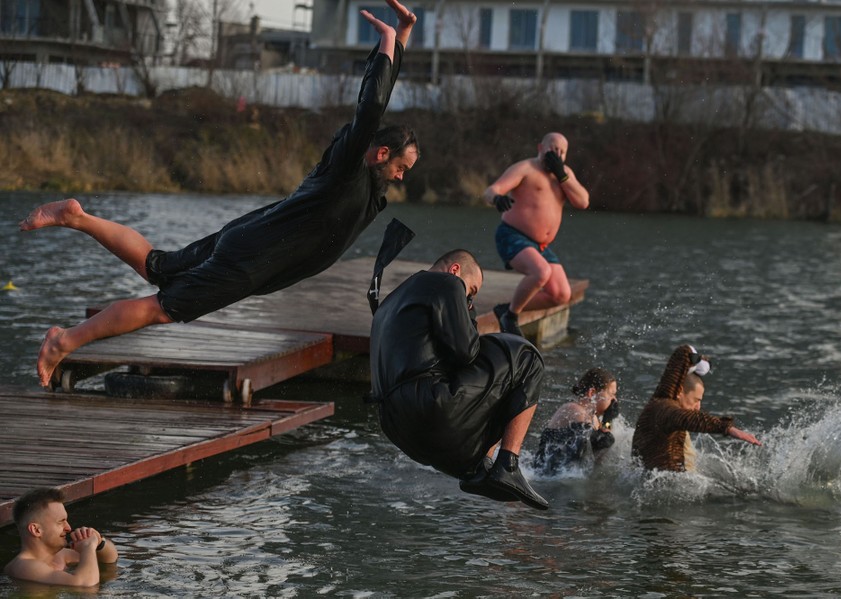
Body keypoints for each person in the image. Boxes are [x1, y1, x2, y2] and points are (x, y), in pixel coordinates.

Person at [19, 0, 418, 388]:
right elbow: (370, 107)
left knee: (156, 266)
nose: (400, 177)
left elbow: (378, 104)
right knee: (161, 309)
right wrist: (387, 44)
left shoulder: (366, 186)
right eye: (401, 167)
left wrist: (400, 35)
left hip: (248, 240)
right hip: (250, 260)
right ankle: (63, 341)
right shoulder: (348, 169)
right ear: (382, 154)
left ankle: (77, 217)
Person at [369, 249, 549, 510]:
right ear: (455, 270)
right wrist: (469, 313)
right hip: (429, 405)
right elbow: (466, 352)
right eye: (471, 291)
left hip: (395, 425)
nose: (468, 298)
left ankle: (481, 467)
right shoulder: (447, 282)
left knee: (499, 383)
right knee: (526, 357)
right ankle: (508, 464)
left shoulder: (390, 301)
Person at [483, 132, 590, 336]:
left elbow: (583, 202)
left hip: (540, 245)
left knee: (561, 294)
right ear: (541, 148)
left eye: (562, 152)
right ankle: (511, 316)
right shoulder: (526, 168)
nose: (557, 154)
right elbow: (491, 190)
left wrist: (562, 174)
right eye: (553, 149)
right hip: (512, 235)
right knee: (541, 272)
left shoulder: (564, 174)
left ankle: (507, 309)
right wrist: (497, 199)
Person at [631, 345, 762, 472]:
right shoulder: (664, 409)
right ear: (680, 391)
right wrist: (726, 427)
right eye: (696, 400)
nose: (698, 407)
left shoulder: (657, 405)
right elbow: (688, 418)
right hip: (662, 482)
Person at [4, 488, 118, 586]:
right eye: (60, 522)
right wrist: (88, 547)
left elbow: (110, 559)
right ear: (36, 530)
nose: (68, 527)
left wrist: (98, 542)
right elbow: (85, 585)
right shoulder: (24, 566)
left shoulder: (62, 555)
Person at [532, 367, 620, 476]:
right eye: (611, 394)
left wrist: (608, 421)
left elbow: (596, 455)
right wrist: (607, 421)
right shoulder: (574, 410)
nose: (614, 400)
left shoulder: (594, 419)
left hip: (564, 476)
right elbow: (596, 442)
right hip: (546, 475)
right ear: (592, 393)